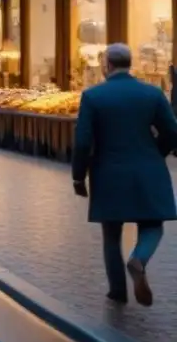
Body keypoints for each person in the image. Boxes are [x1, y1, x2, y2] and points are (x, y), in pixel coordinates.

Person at [73, 43, 177, 307]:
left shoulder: (93, 96)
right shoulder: (152, 93)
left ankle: (117, 291)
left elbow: (83, 141)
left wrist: (78, 176)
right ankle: (139, 258)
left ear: (107, 65)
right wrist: (157, 152)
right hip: (147, 170)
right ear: (129, 64)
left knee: (111, 233)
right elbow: (172, 132)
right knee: (153, 224)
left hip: (108, 172)